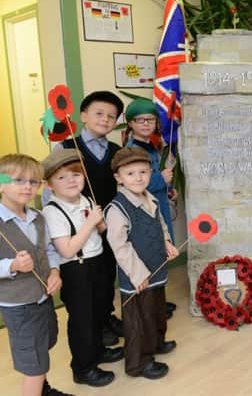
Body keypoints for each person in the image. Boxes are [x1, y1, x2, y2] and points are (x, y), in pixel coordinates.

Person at [42, 149, 123, 387]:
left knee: (98, 311)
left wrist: (100, 223)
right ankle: (83, 368)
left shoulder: (86, 200)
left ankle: (97, 352)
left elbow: (100, 230)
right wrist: (89, 223)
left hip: (96, 261)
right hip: (76, 269)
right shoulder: (52, 211)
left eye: (76, 174)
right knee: (82, 320)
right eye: (62, 177)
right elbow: (66, 249)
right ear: (49, 185)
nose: (71, 181)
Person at [104, 147, 179, 379]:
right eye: (131, 173)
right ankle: (139, 362)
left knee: (156, 310)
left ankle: (156, 342)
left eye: (143, 172)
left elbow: (161, 225)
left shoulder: (152, 198)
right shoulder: (117, 208)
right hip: (137, 275)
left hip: (156, 267)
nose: (138, 178)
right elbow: (120, 246)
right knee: (139, 318)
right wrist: (137, 274)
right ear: (118, 177)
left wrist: (167, 242)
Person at [59, 91, 125, 346]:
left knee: (108, 272)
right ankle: (95, 323)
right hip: (80, 227)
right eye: (99, 113)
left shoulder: (116, 150)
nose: (105, 119)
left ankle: (107, 316)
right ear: (83, 115)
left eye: (111, 116)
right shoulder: (66, 147)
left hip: (109, 223)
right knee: (89, 278)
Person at [0, 154, 69, 396]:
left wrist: (54, 271)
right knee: (33, 363)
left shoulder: (38, 217)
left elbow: (49, 250)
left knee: (44, 346)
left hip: (43, 298)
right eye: (19, 180)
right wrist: (11, 266)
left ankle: (43, 389)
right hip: (19, 305)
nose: (27, 186)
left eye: (33, 181)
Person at [124, 98, 178, 318]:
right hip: (145, 210)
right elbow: (135, 185)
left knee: (161, 252)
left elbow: (159, 175)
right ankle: (152, 305)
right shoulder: (132, 150)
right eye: (140, 120)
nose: (146, 124)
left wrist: (168, 188)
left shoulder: (152, 147)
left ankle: (159, 300)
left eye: (150, 120)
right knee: (151, 254)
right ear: (131, 124)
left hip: (159, 206)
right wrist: (161, 181)